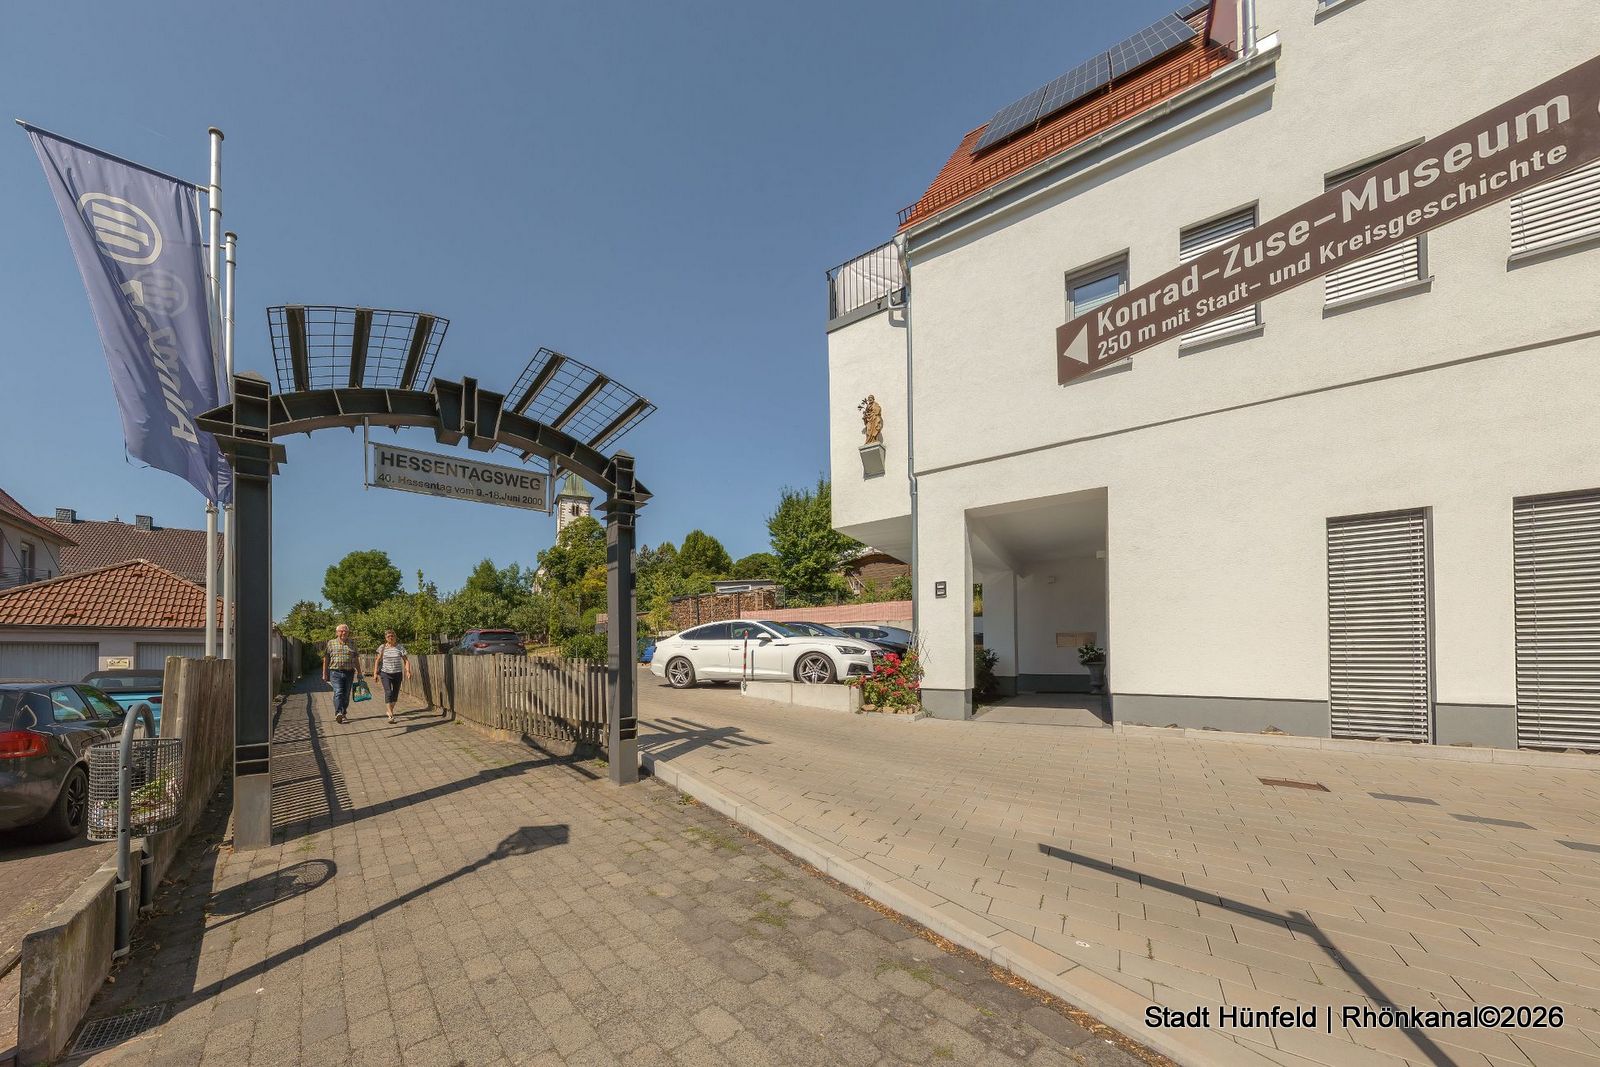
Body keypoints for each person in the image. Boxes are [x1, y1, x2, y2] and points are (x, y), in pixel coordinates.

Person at [322, 623, 363, 724]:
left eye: (345, 631)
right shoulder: (331, 643)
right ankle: (338, 713)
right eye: (341, 631)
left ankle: (343, 713)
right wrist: (324, 673)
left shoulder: (352, 643)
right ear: (337, 632)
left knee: (346, 694)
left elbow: (356, 659)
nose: (343, 633)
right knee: (338, 692)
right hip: (335, 672)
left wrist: (359, 672)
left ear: (348, 633)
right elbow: (326, 659)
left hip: (349, 673)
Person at [376, 630, 411, 724]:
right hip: (385, 673)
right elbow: (377, 660)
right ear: (386, 638)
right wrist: (375, 673)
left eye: (392, 636)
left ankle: (389, 710)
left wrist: (408, 671)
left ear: (395, 637)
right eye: (388, 636)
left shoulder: (400, 647)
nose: (390, 638)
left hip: (397, 673)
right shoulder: (382, 647)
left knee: (395, 694)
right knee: (388, 692)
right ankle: (391, 715)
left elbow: (406, 660)